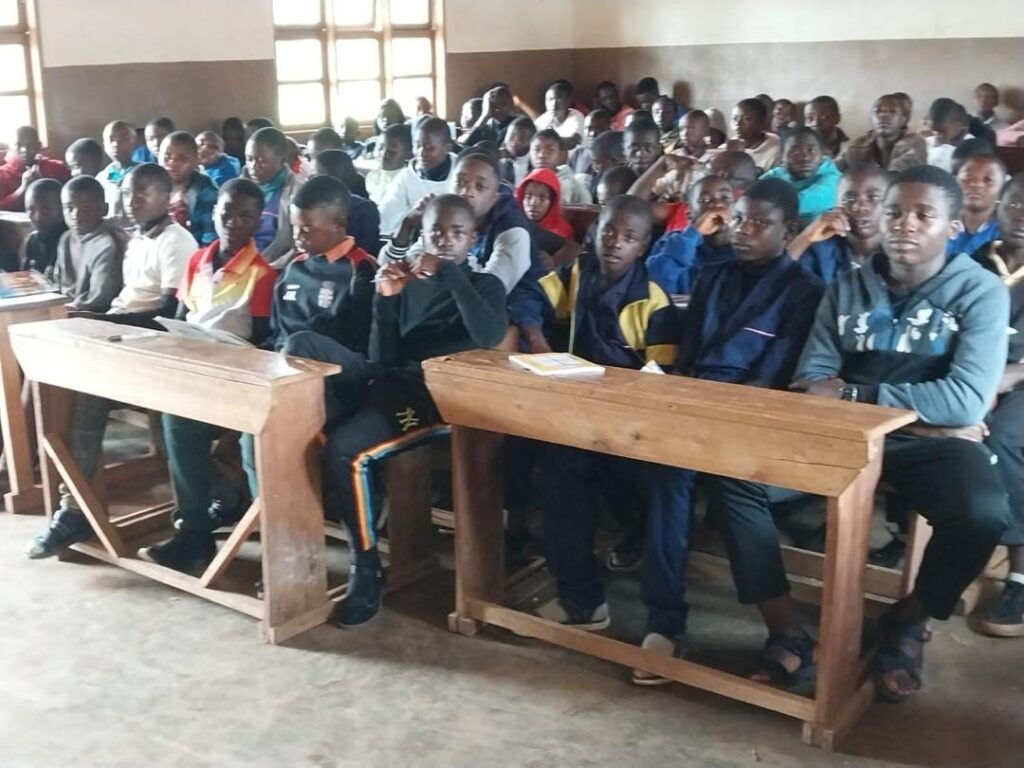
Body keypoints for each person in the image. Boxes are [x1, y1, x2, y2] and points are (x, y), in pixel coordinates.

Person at [713, 165, 1009, 700]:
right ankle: (787, 631)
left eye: (924, 214)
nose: (905, 224)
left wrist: (855, 395)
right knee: (737, 478)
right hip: (851, 436)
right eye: (895, 211)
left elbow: (965, 399)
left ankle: (909, 619)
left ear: (952, 226)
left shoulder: (980, 291)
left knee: (982, 514)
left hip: (926, 448)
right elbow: (812, 381)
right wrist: (923, 418)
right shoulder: (847, 287)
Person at [311, 194, 507, 625]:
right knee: (301, 345)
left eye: (457, 233)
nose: (446, 241)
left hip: (435, 400)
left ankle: (366, 568)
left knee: (346, 448)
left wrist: (449, 271)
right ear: (423, 235)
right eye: (436, 231)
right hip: (388, 383)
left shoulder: (483, 285)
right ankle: (348, 447)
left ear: (473, 239)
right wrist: (386, 298)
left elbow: (488, 335)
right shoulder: (409, 283)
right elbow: (382, 358)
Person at [25, 163, 197, 560]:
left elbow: (169, 316)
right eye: (128, 193)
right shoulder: (136, 239)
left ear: (165, 197)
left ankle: (222, 491)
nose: (132, 201)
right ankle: (74, 509)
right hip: (123, 340)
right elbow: (125, 302)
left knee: (84, 396)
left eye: (142, 194)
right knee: (70, 394)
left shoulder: (177, 241)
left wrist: (101, 321)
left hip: (157, 350)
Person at [534, 195, 685, 647]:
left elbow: (662, 375)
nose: (616, 242)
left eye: (629, 237)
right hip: (581, 410)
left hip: (635, 420)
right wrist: (536, 336)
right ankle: (581, 598)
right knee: (559, 468)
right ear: (595, 234)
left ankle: (660, 611)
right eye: (609, 232)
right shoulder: (578, 273)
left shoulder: (654, 301)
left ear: (644, 245)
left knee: (650, 482)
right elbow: (530, 295)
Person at [138, 178, 277, 571]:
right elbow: (181, 317)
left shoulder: (262, 273)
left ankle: (258, 525)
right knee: (174, 420)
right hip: (196, 368)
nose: (233, 222)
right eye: (226, 212)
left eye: (245, 216)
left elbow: (263, 337)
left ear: (258, 223)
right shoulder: (198, 260)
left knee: (230, 436)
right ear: (214, 212)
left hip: (237, 375)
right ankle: (194, 532)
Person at [974, 173, 1024, 637]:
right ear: (998, 207)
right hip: (979, 375)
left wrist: (1009, 374)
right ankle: (918, 541)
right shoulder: (976, 262)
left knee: (1005, 435)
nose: (1021, 216)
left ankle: (1020, 571)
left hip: (1019, 379)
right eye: (1014, 204)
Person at [788, 164, 890, 283]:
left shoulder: (899, 251)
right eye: (849, 199)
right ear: (836, 203)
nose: (860, 207)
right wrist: (806, 236)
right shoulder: (821, 250)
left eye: (873, 197)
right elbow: (776, 279)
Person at [645, 174, 736, 298]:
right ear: (689, 215)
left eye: (725, 198)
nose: (718, 205)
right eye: (705, 200)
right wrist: (693, 234)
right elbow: (653, 288)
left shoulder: (747, 249)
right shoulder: (671, 243)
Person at [53, 175, 126, 312]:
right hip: (67, 307)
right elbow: (58, 281)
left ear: (104, 209)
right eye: (69, 208)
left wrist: (68, 308)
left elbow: (100, 297)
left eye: (85, 208)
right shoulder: (66, 238)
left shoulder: (107, 243)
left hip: (95, 313)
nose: (75, 215)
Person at [378, 117, 456, 236]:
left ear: (447, 148)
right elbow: (386, 217)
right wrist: (415, 215)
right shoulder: (405, 177)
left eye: (429, 148)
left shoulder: (460, 174)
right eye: (417, 146)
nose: (421, 153)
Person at [760, 127, 841, 224]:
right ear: (781, 158)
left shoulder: (832, 179)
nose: (805, 158)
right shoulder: (780, 172)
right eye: (795, 152)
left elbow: (797, 204)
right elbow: (754, 190)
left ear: (821, 156)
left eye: (811, 150)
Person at [244, 127, 298, 267]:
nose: (253, 166)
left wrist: (267, 269)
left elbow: (296, 247)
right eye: (249, 159)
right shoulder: (240, 188)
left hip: (277, 266)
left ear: (281, 158)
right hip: (241, 263)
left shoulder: (297, 193)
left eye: (261, 160)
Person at [313, 149, 381, 256]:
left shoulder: (364, 210)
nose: (312, 180)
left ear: (332, 178)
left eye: (317, 175)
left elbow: (359, 249)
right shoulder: (318, 205)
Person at [160, 132, 218, 247]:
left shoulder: (207, 192)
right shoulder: (154, 186)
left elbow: (210, 239)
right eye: (167, 156)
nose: (172, 162)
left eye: (182, 158)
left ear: (196, 161)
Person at [842, 93, 926, 172]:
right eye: (877, 111)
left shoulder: (916, 143)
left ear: (903, 120)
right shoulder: (858, 145)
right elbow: (836, 171)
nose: (883, 115)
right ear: (871, 118)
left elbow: (895, 176)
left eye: (892, 111)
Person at [0, 126, 71, 212]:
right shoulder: (2, 174)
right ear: (10, 147)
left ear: (38, 146)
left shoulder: (57, 167)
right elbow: (2, 208)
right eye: (18, 145)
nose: (24, 149)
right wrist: (23, 188)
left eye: (30, 145)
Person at [949, 153, 1006, 255]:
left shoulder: (1004, 232)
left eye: (988, 180)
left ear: (1001, 190)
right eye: (968, 177)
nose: (976, 184)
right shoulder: (942, 223)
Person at [19, 179, 67, 277]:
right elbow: (24, 277)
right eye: (31, 210)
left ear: (62, 209)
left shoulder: (70, 242)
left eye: (46, 210)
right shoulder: (32, 240)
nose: (38, 217)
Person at [529, 129, 591, 205]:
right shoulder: (532, 179)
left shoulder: (565, 184)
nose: (542, 155)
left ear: (560, 155)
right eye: (537, 150)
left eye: (550, 150)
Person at [725, 98, 781, 171]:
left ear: (761, 122)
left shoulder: (775, 151)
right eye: (734, 118)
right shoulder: (727, 147)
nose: (738, 123)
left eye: (746, 119)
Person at [516, 168, 573, 240]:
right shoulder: (514, 224)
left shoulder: (562, 231)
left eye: (542, 198)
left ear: (552, 202)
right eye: (528, 197)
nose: (533, 203)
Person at [99, 120, 139, 221]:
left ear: (134, 143)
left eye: (124, 139)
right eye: (111, 139)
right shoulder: (102, 178)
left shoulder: (144, 174)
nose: (116, 144)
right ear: (104, 144)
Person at [365, 123, 413, 206]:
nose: (383, 155)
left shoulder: (408, 180)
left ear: (408, 155)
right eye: (380, 148)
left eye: (392, 152)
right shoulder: (373, 176)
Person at [534, 81, 586, 147]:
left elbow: (574, 141)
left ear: (568, 101)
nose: (554, 103)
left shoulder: (576, 116)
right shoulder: (543, 119)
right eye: (550, 99)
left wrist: (547, 141)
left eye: (559, 99)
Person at [925, 100, 973, 173]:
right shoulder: (927, 143)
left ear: (959, 124)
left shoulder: (972, 147)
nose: (937, 135)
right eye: (934, 131)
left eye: (942, 131)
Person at [499, 116, 536, 186]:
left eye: (522, 138)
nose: (515, 142)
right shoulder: (496, 156)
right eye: (512, 136)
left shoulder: (534, 164)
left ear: (531, 142)